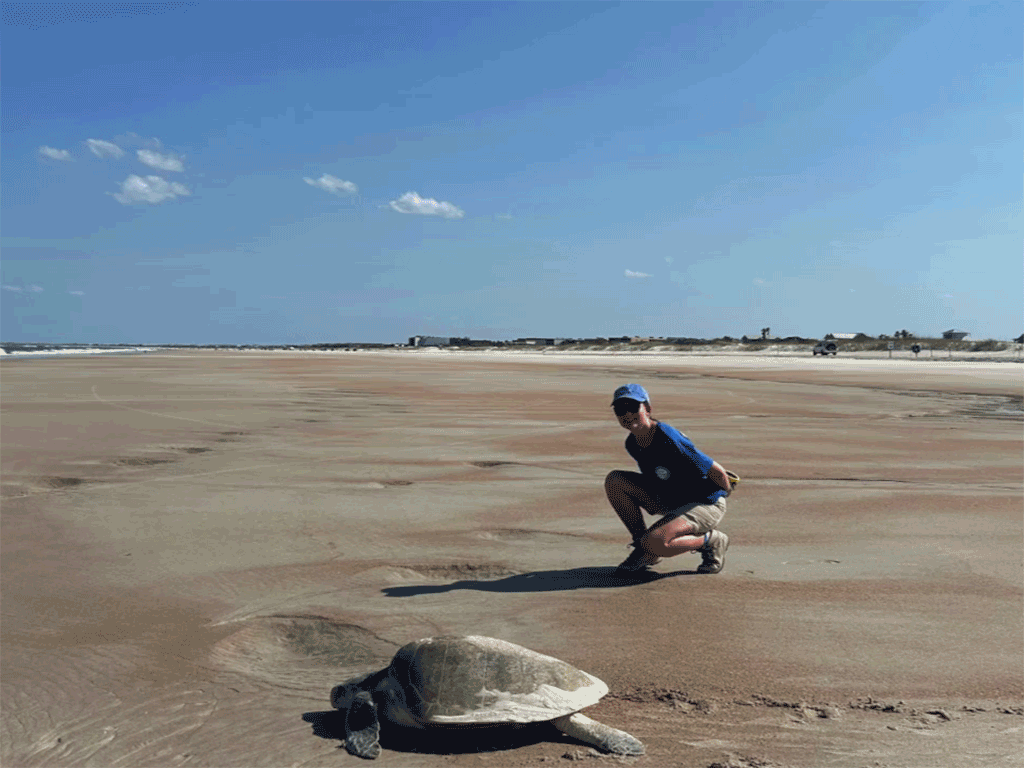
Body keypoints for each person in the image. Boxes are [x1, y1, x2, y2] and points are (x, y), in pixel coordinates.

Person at [605, 383, 731, 575]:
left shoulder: (668, 437)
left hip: (705, 503)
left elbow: (717, 471)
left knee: (656, 542)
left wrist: (724, 493)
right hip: (672, 498)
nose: (627, 414)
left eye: (632, 407)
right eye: (621, 410)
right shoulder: (632, 443)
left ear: (647, 409)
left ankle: (711, 540)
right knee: (615, 480)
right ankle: (643, 548)